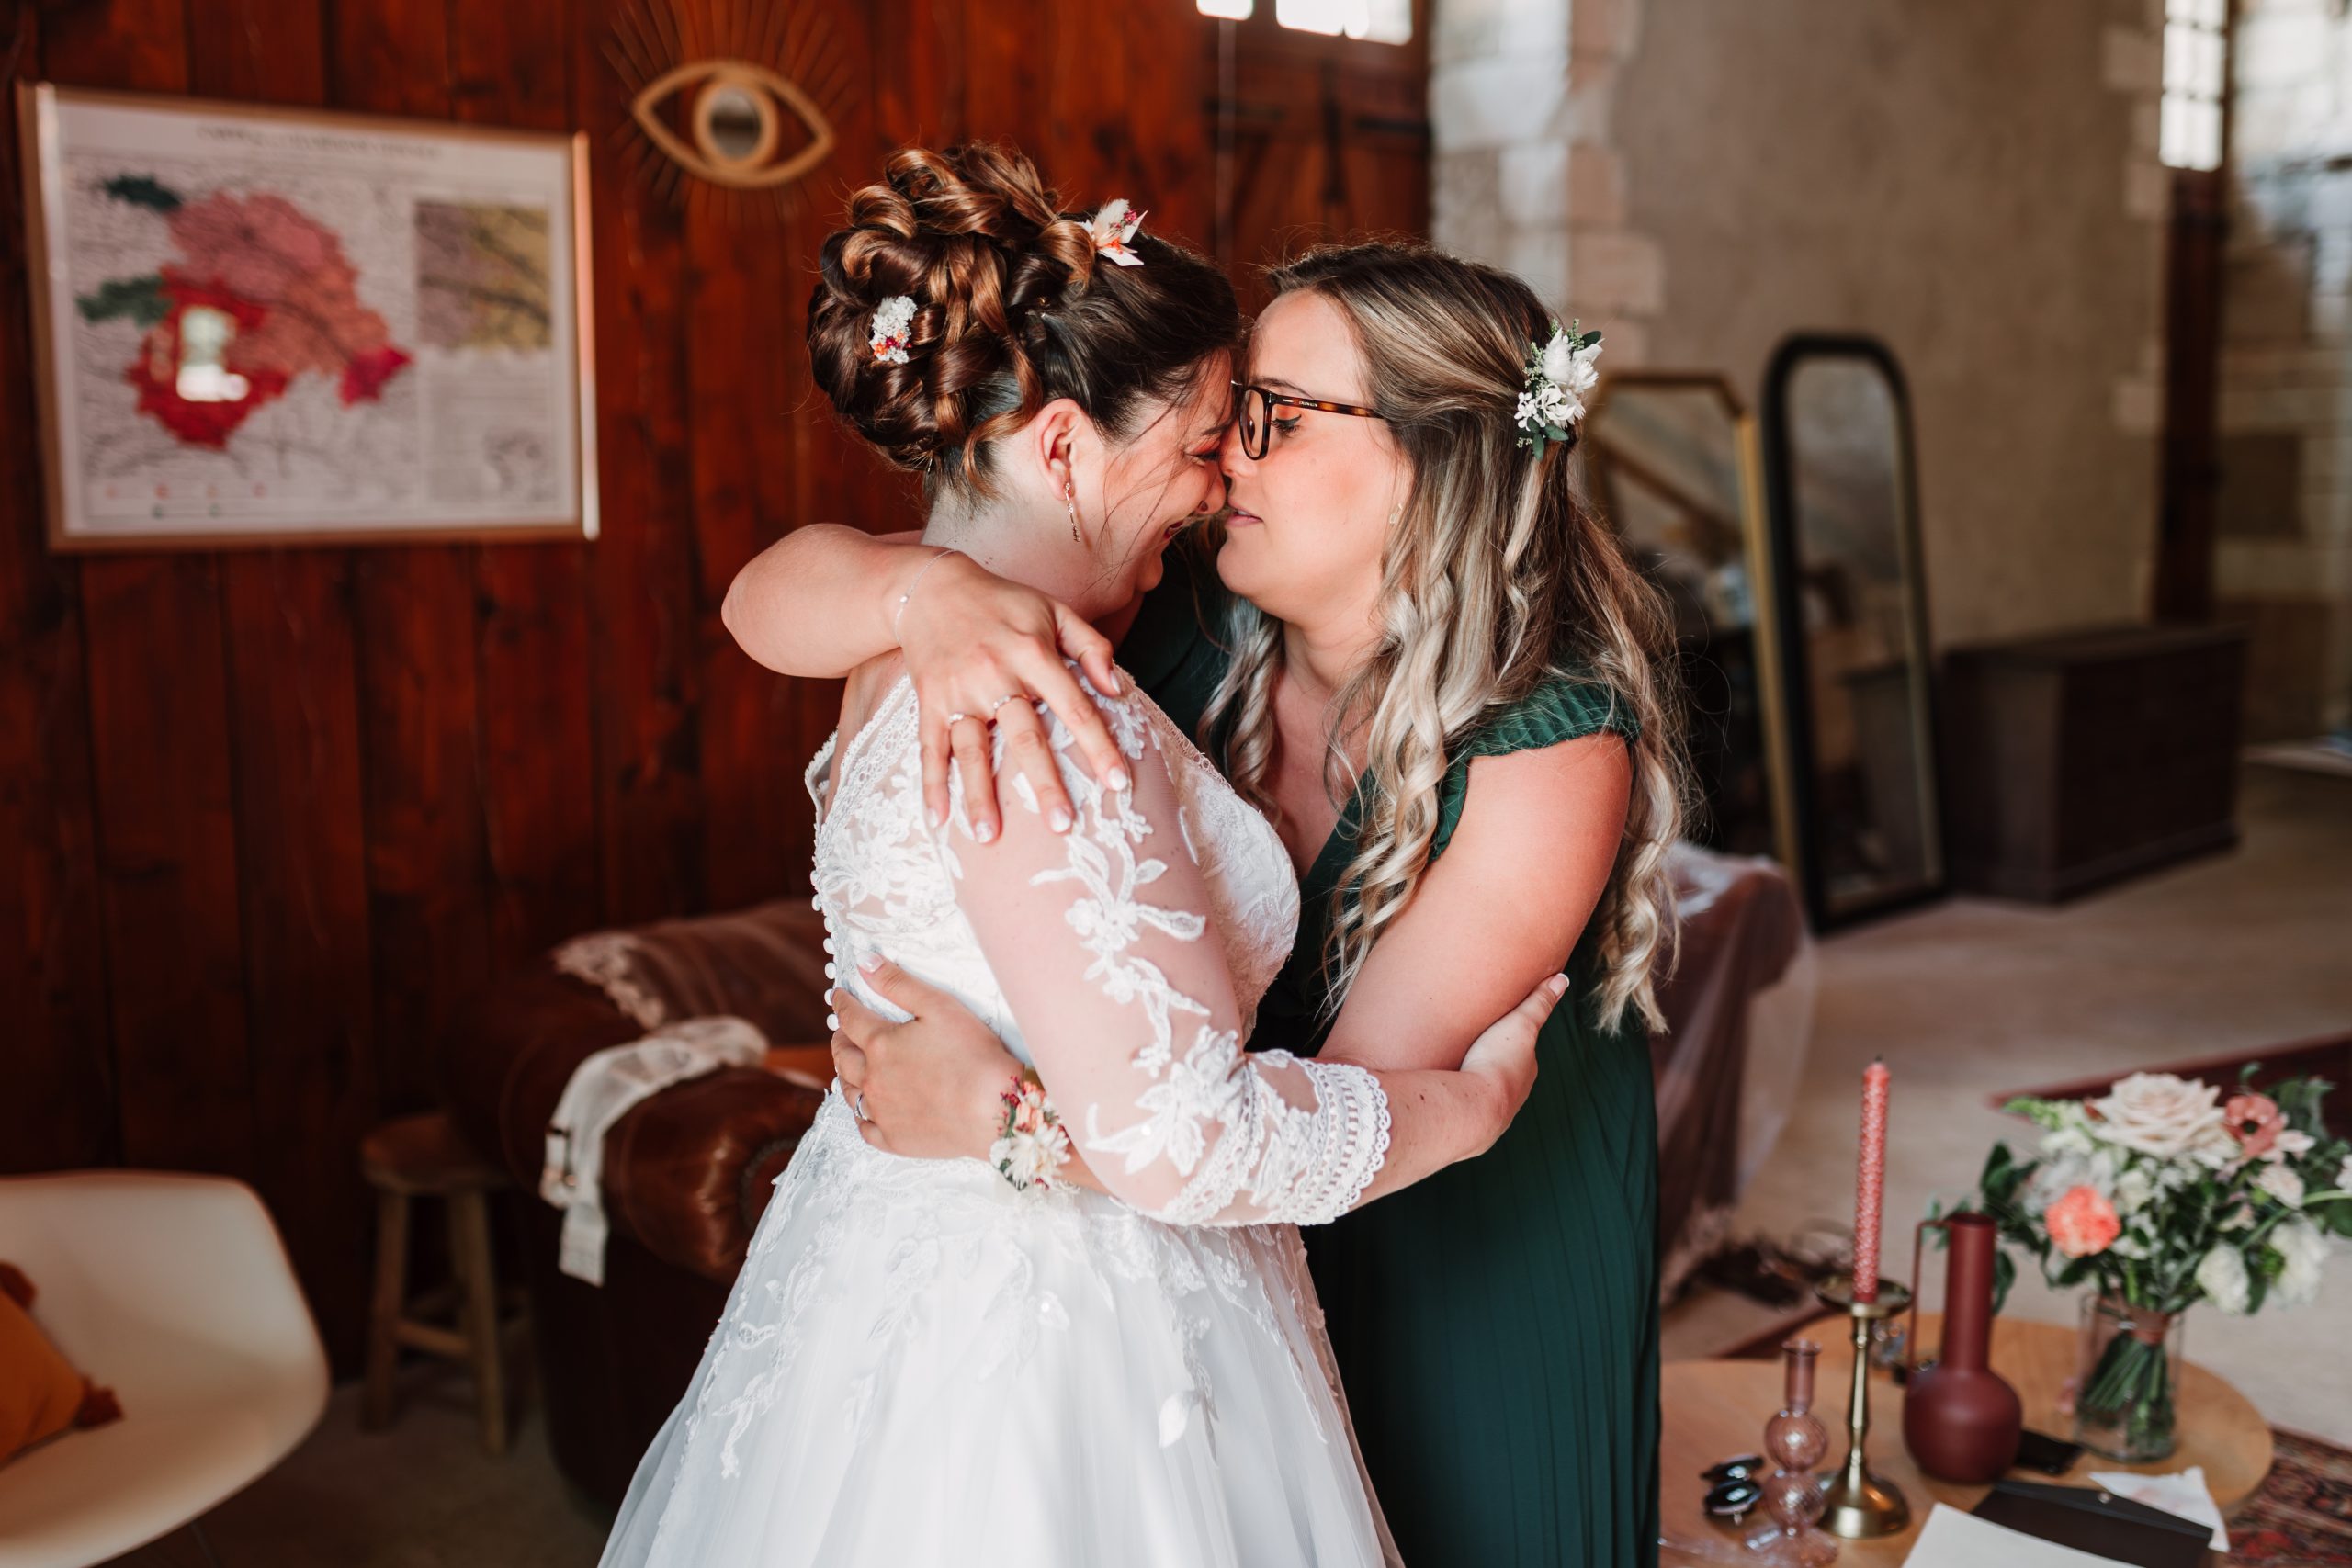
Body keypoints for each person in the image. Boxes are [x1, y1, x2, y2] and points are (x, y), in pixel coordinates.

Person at [598, 144, 1566, 1568]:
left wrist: (916, 582)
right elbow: (1188, 1143)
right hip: (1065, 1334)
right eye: (1203, 441)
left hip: (903, 1275)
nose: (1213, 484)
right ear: (1062, 447)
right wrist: (1474, 1108)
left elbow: (772, 593)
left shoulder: (913, 640)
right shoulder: (1031, 693)